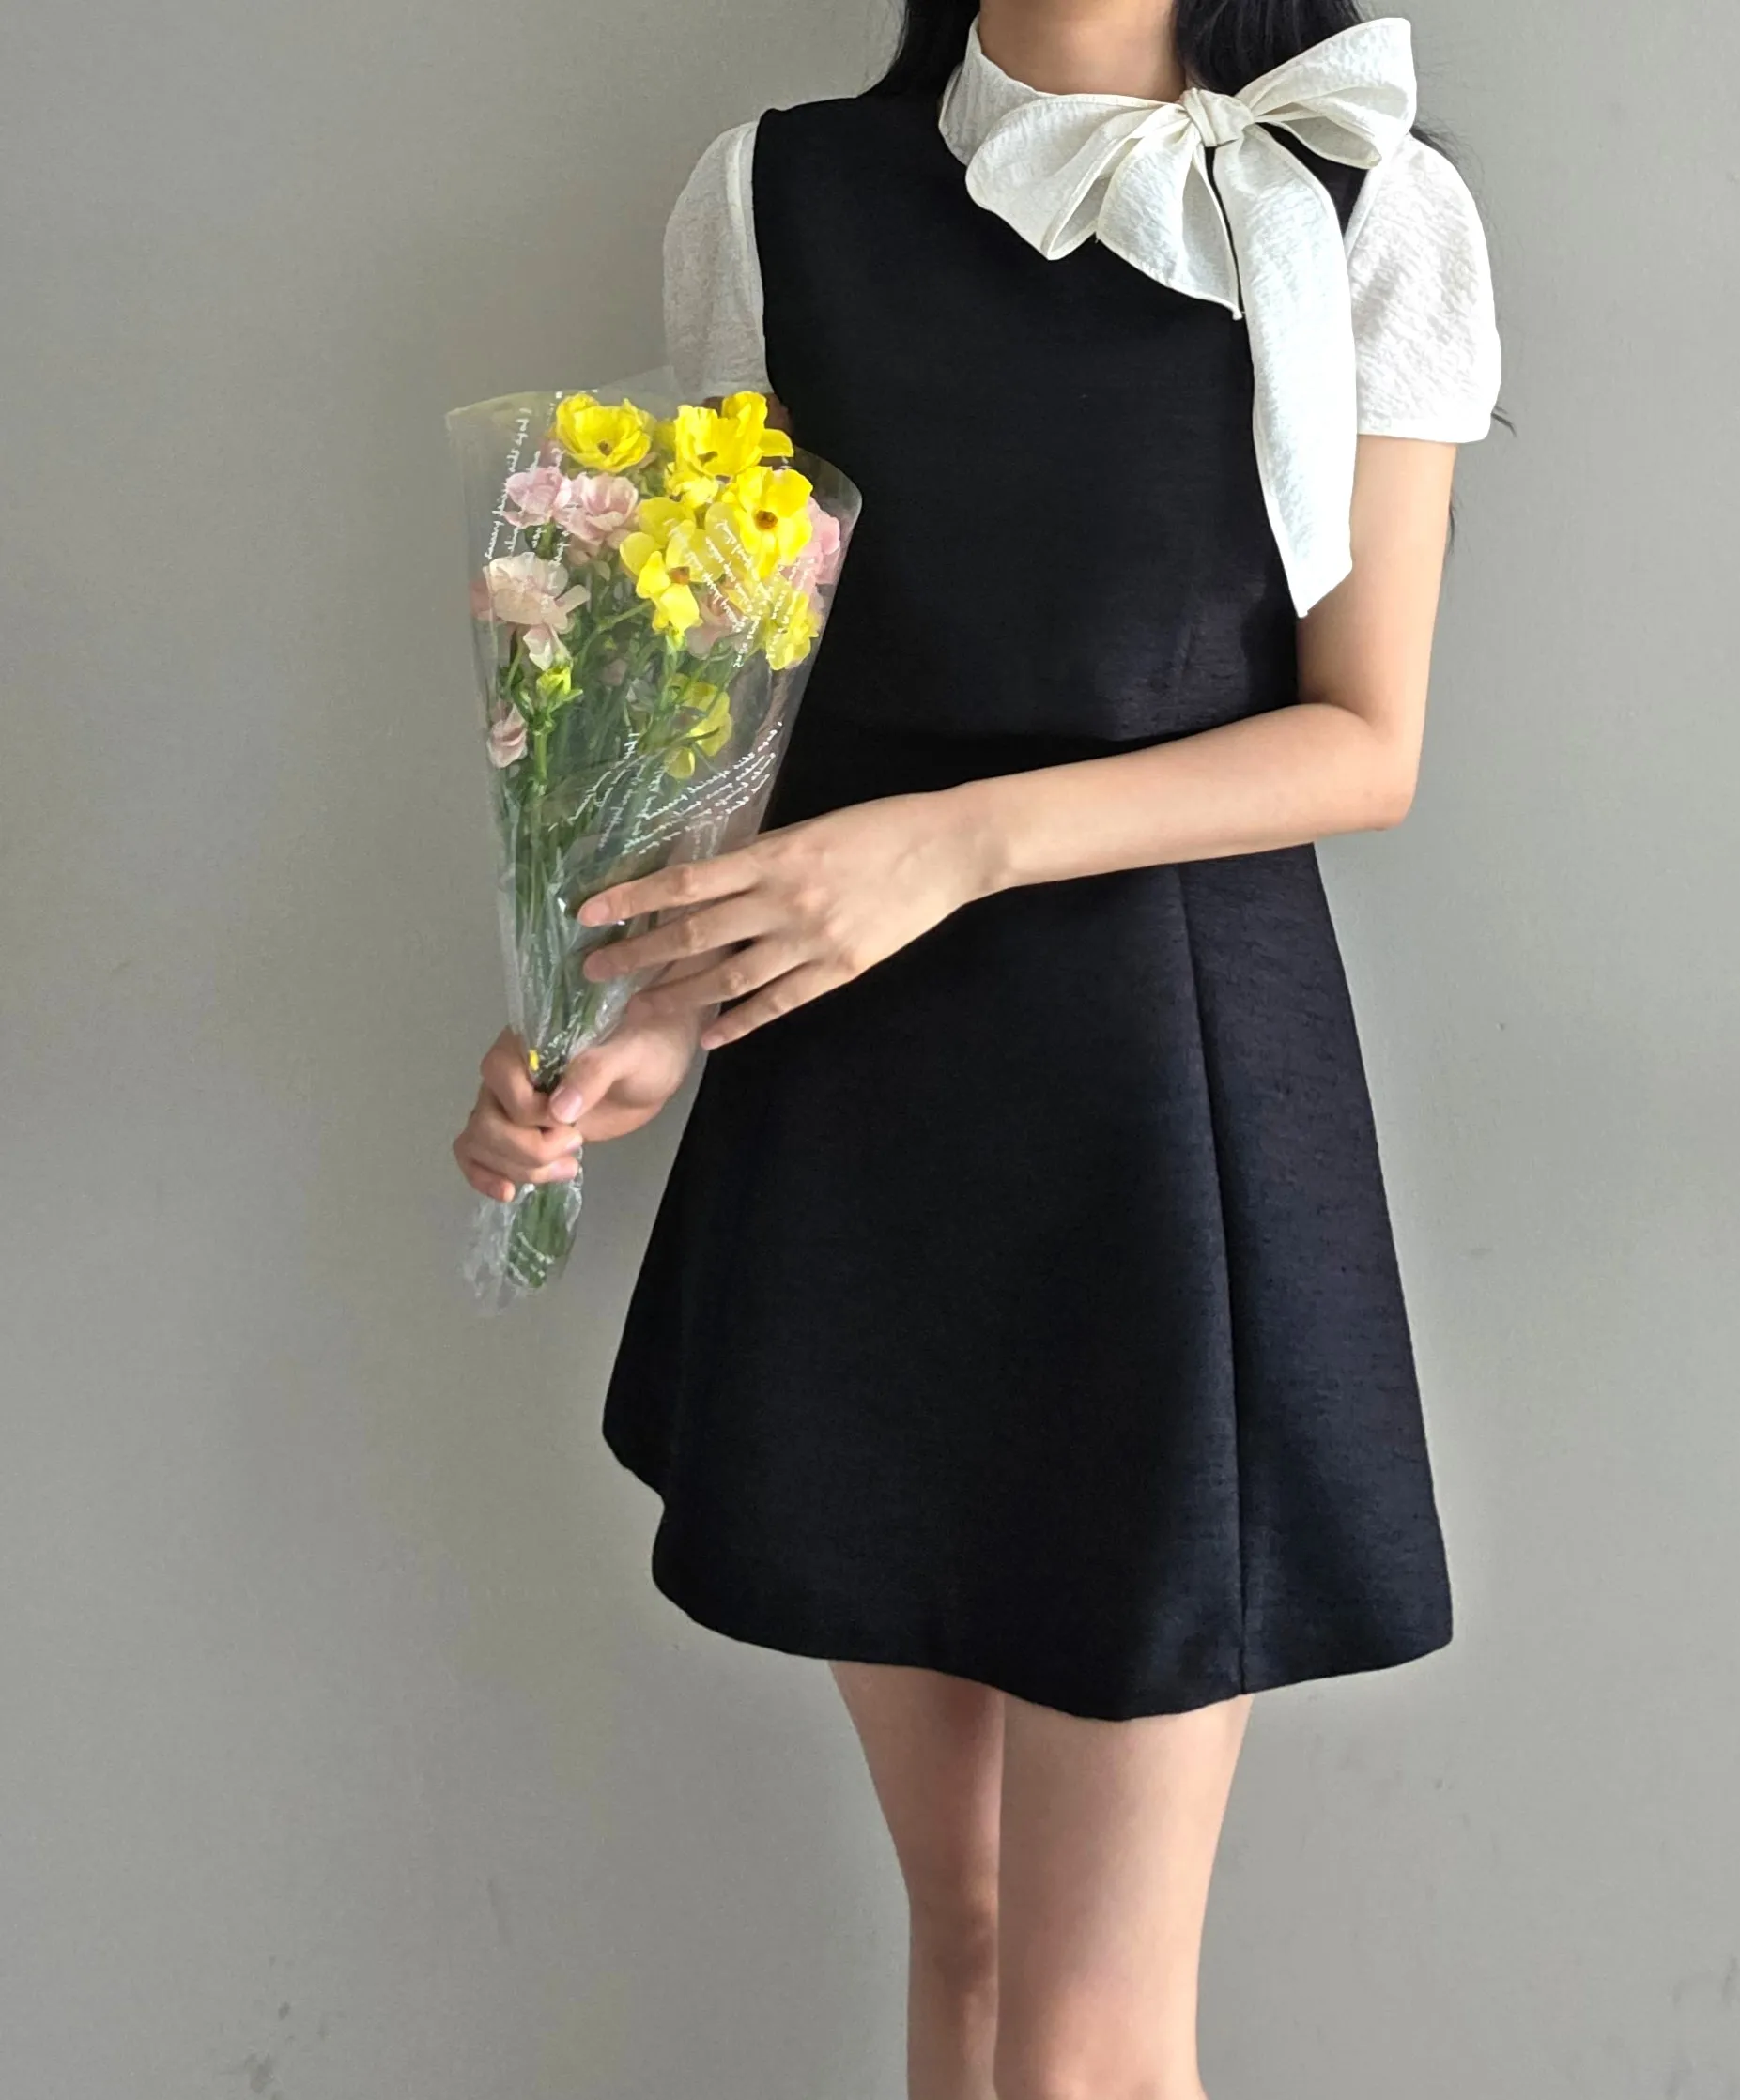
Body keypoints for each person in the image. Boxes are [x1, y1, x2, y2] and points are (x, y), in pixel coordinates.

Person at [453, 1, 1501, 2091]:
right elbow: (747, 699)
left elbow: (1362, 740)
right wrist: (637, 1018)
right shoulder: (773, 195)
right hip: (854, 1102)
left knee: (1089, 2038)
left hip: (1166, 1114)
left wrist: (951, 843)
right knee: (973, 1930)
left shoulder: (1360, 197)